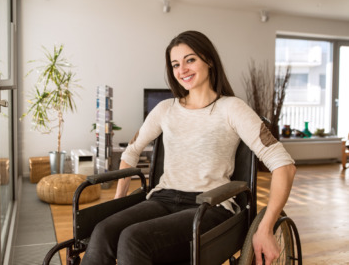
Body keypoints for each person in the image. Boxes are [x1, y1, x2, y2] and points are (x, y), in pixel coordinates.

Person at [81, 30, 296, 265]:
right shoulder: (165, 109)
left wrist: (265, 228)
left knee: (133, 239)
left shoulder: (231, 108)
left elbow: (284, 165)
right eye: (175, 64)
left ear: (209, 61)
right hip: (162, 199)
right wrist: (119, 202)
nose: (181, 70)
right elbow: (131, 151)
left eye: (190, 60)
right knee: (103, 230)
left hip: (209, 205)